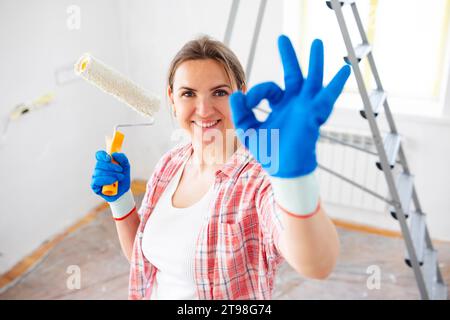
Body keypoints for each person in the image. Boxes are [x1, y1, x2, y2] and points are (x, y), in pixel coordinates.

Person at [90, 34, 351, 300]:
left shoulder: (259, 179)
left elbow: (317, 264)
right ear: (172, 98)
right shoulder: (169, 164)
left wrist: (295, 182)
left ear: (242, 94)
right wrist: (121, 202)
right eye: (188, 93)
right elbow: (142, 255)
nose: (203, 110)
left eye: (219, 92)